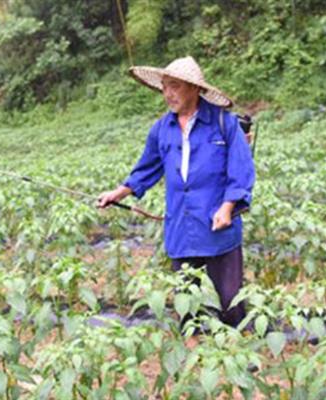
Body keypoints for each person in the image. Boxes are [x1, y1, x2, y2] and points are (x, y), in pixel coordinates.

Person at [97, 56, 255, 328]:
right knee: (187, 302)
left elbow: (241, 171)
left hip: (218, 224)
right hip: (181, 225)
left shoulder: (223, 124)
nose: (168, 94)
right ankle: (193, 354)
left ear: (195, 89)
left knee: (229, 300)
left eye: (175, 87)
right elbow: (147, 167)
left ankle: (237, 352)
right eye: (165, 87)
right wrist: (118, 193)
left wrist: (228, 207)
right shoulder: (162, 129)